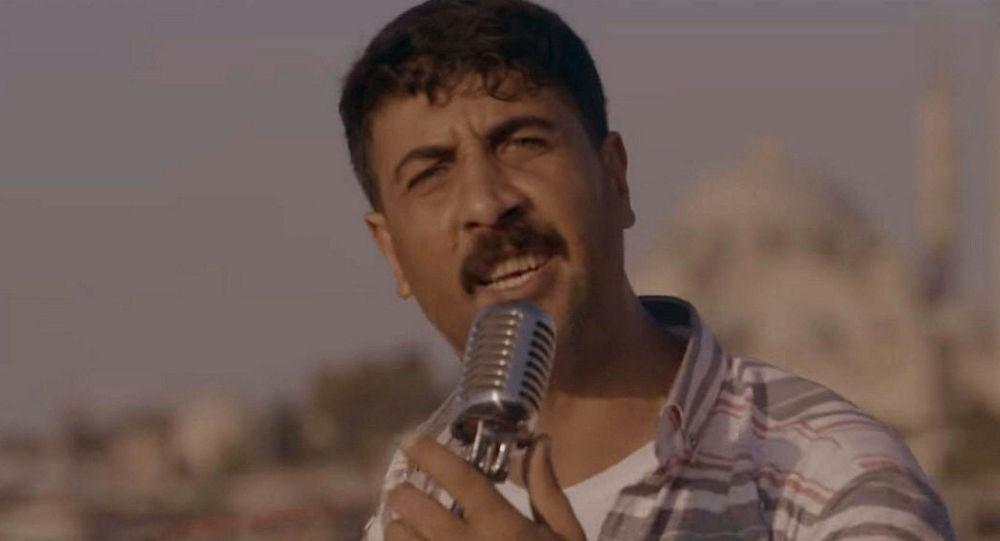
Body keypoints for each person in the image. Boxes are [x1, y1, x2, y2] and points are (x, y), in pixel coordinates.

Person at [338, 1, 954, 539]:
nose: (486, 203)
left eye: (522, 143)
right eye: (430, 174)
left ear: (615, 178)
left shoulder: (832, 480)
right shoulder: (414, 502)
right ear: (391, 250)